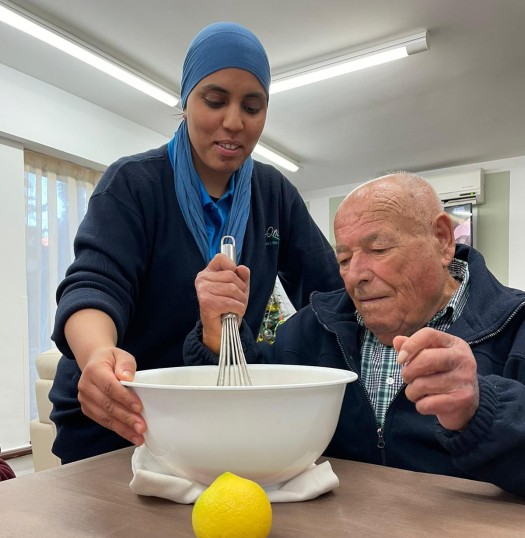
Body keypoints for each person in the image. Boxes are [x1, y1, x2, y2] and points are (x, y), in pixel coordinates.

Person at [50, 22, 341, 463]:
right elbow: (94, 286)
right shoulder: (134, 184)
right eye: (215, 101)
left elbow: (329, 293)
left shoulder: (274, 194)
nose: (234, 122)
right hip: (123, 417)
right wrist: (97, 355)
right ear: (185, 101)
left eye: (252, 106)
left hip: (215, 412)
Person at [185, 172, 525, 497]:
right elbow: (245, 401)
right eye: (344, 258)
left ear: (442, 239)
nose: (355, 275)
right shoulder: (312, 329)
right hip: (329, 530)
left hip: (470, 536)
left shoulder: (515, 324)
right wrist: (218, 331)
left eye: (379, 249)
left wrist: (480, 409)